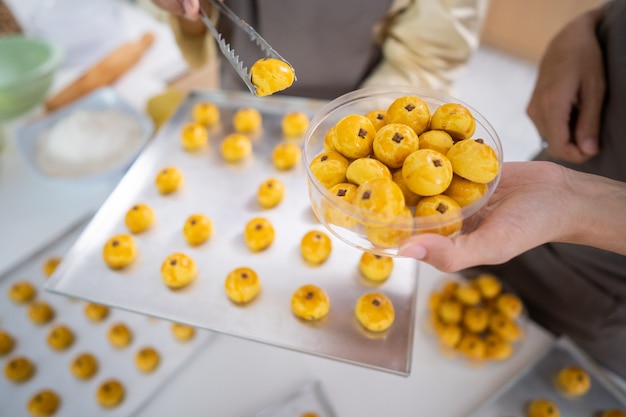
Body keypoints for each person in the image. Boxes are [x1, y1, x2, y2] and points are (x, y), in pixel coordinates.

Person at [401, 0, 626, 381]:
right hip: (554, 184)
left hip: (605, 297)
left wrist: (584, 206)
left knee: (535, 371)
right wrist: (591, 25)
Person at [151, 0, 489, 99]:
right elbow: (201, 29)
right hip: (241, 94)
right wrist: (187, 10)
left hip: (361, 105)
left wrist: (348, 139)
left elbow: (426, 59)